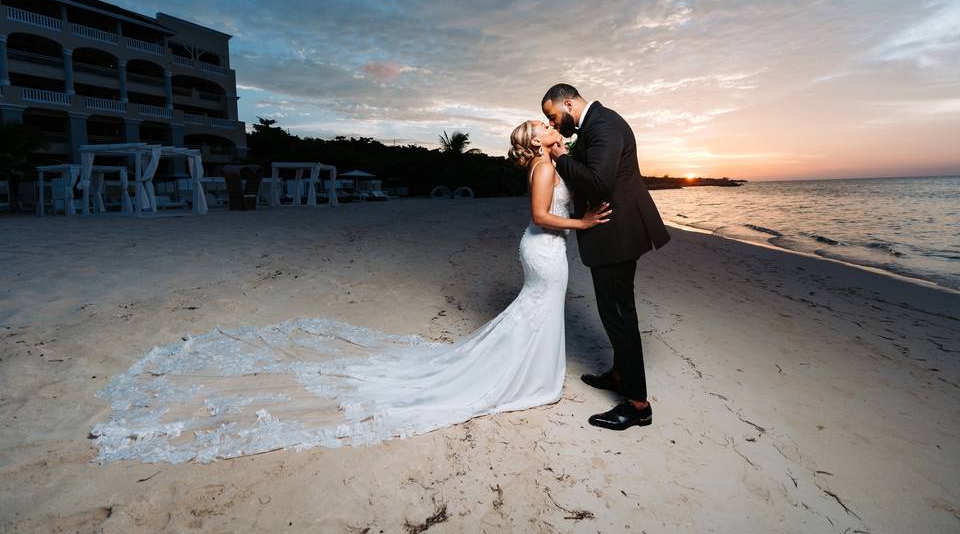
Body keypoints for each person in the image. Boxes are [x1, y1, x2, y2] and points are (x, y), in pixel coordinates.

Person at [88, 120, 611, 463]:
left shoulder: (553, 159)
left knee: (538, 312)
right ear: (535, 143)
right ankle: (531, 381)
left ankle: (535, 376)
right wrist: (584, 224)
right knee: (538, 308)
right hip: (545, 249)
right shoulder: (544, 166)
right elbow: (541, 215)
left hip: (548, 250)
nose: (552, 128)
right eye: (545, 127)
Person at [542, 82, 671, 431]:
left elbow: (598, 182)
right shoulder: (597, 124)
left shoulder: (605, 124)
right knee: (614, 310)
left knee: (618, 315)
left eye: (553, 115)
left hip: (618, 234)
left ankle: (637, 404)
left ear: (568, 103)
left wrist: (559, 157)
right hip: (613, 231)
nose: (554, 123)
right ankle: (619, 375)